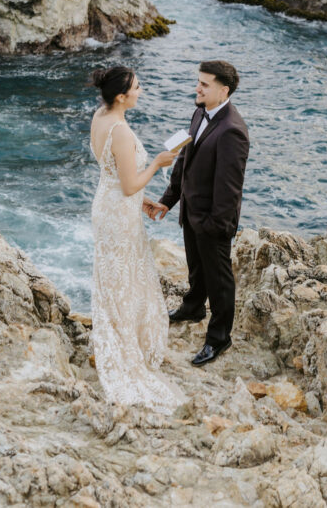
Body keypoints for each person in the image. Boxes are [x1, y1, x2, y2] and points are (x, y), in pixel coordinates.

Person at [88, 65, 187, 412]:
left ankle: (112, 336)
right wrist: (159, 164)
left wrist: (138, 200)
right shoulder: (122, 132)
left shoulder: (100, 116)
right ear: (121, 96)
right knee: (123, 281)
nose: (141, 91)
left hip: (108, 205)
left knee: (112, 279)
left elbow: (113, 173)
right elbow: (129, 183)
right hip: (117, 214)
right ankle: (119, 349)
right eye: (137, 87)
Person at [146, 60, 250, 367]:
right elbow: (184, 162)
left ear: (223, 90)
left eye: (204, 84)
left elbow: (230, 188)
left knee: (219, 281)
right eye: (198, 82)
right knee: (195, 267)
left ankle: (219, 338)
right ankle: (193, 308)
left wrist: (213, 225)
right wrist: (168, 201)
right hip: (192, 211)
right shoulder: (199, 111)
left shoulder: (233, 131)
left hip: (213, 221)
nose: (197, 87)